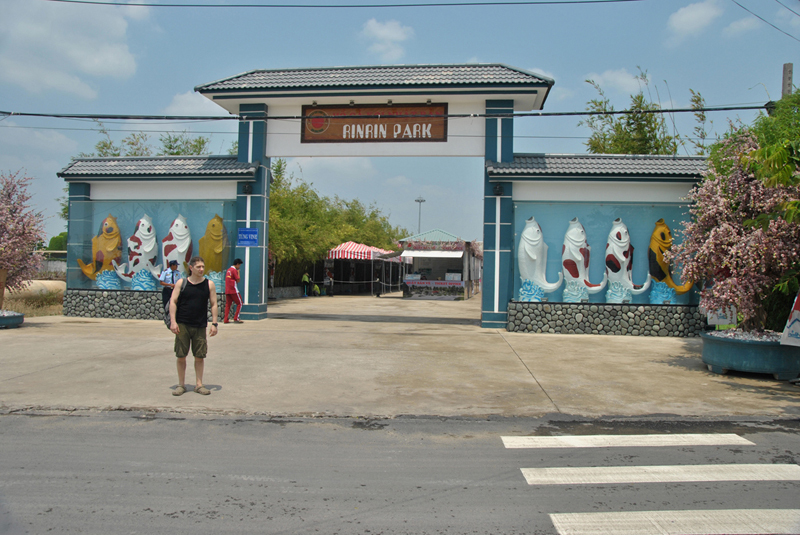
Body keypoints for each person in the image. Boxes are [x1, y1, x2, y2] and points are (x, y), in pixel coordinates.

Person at [169, 256, 218, 396]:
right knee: (181, 355)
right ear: (191, 268)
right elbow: (173, 301)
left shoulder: (209, 284)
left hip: (200, 325)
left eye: (203, 266)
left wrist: (214, 323)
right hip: (182, 324)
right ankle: (181, 385)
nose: (201, 269)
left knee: (200, 356)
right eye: (198, 267)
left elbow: (214, 304)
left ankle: (199, 384)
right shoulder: (181, 283)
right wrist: (173, 321)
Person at [224, 258, 244, 324]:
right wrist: (238, 272)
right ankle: (236, 318)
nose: (239, 266)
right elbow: (238, 279)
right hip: (234, 290)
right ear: (237, 264)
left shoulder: (228, 270)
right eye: (239, 265)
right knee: (240, 303)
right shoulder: (234, 270)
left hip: (227, 290)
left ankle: (226, 319)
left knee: (228, 305)